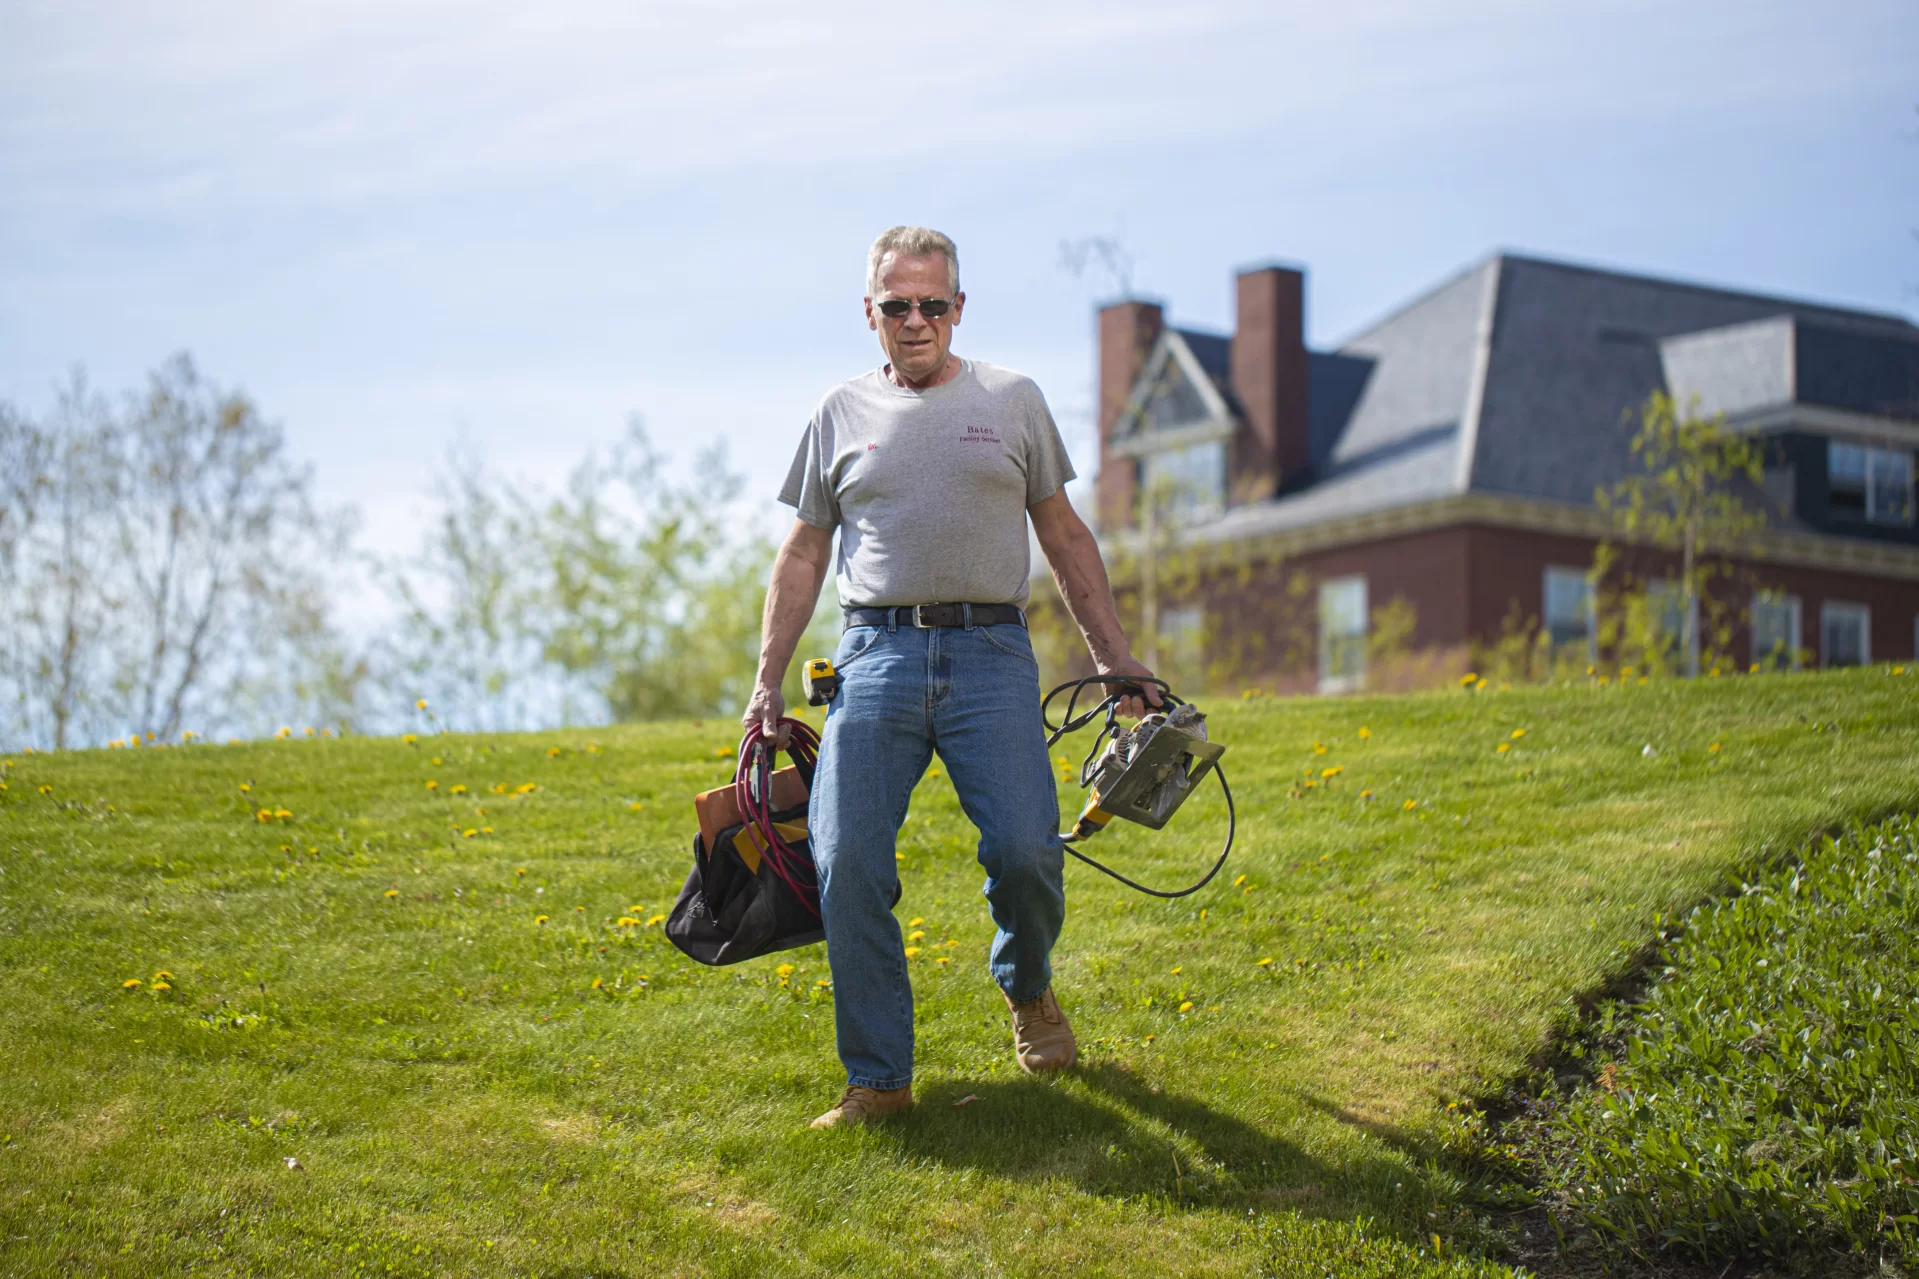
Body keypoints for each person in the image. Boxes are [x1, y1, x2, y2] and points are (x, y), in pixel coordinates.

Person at [745, 225, 1159, 1130]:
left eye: (933, 303)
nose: (916, 319)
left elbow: (1064, 536)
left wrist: (1115, 660)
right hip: (872, 656)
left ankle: (1027, 984)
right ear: (871, 313)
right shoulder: (837, 414)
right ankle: (879, 1078)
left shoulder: (1013, 401)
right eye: (897, 304)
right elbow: (804, 552)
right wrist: (767, 678)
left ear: (958, 308)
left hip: (990, 654)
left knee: (1024, 850)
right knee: (847, 859)